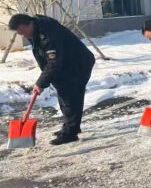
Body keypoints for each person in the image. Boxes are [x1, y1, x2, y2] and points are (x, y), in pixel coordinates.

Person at [8, 14, 96, 145]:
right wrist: (44, 80)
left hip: (78, 63)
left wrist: (41, 82)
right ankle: (70, 126)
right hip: (66, 64)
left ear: (29, 24)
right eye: (19, 33)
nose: (22, 35)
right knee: (65, 94)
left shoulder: (48, 34)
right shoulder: (35, 30)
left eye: (22, 31)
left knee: (70, 95)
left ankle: (70, 133)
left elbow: (54, 62)